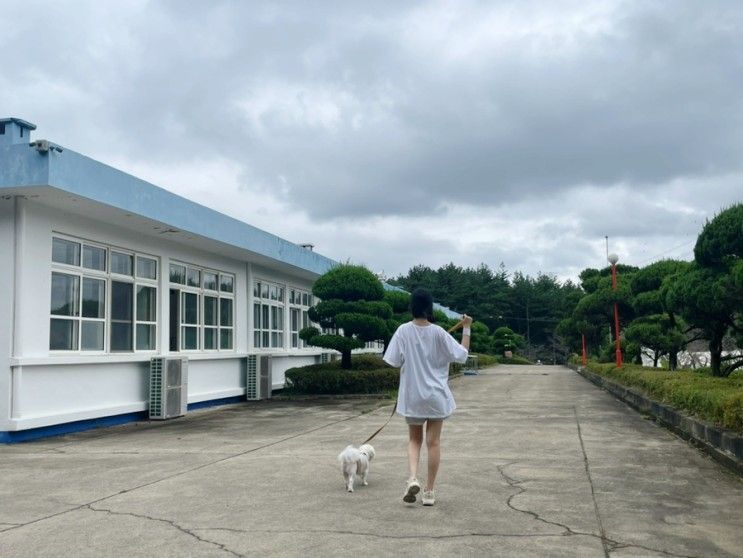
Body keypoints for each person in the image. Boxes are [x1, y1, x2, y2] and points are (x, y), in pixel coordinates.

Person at [383, 288, 472, 506]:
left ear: (411, 307)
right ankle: (429, 492)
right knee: (433, 442)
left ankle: (412, 477)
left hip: (413, 396)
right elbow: (462, 355)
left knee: (414, 440)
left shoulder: (403, 331)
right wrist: (467, 328)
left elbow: (393, 361)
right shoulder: (439, 332)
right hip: (435, 397)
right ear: (429, 308)